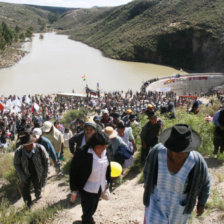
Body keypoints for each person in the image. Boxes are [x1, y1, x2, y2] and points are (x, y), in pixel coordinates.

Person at [143, 124, 210, 224]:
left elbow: (205, 183)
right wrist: (147, 188)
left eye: (182, 152)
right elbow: (147, 172)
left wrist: (201, 203)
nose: (176, 155)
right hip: (156, 203)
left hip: (179, 209)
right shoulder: (157, 153)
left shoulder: (196, 161)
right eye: (173, 150)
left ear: (189, 149)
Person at [69, 131, 111, 224]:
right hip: (87, 187)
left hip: (100, 185)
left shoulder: (106, 152)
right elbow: (73, 171)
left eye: (105, 147)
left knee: (94, 205)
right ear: (93, 145)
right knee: (87, 207)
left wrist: (108, 181)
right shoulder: (82, 153)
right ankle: (87, 220)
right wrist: (74, 188)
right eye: (100, 147)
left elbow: (108, 168)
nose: (103, 149)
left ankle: (88, 218)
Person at [14, 130, 49, 207]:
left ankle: (38, 197)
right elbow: (16, 164)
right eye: (28, 144)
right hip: (25, 173)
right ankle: (28, 204)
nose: (30, 145)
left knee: (38, 185)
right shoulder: (19, 152)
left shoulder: (40, 148)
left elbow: (46, 160)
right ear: (24, 145)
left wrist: (45, 173)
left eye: (31, 143)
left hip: (37, 172)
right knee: (25, 190)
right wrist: (21, 177)